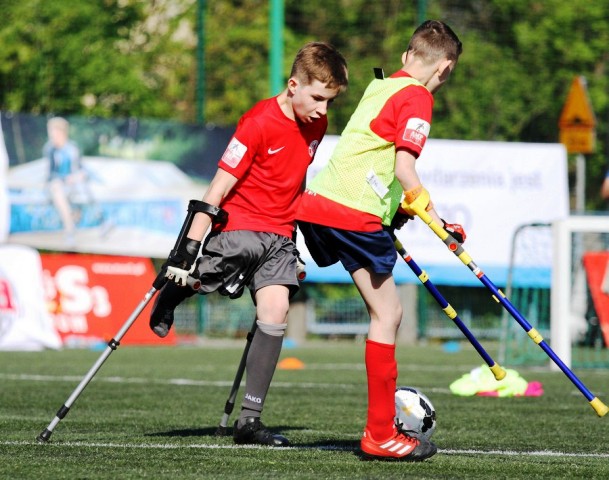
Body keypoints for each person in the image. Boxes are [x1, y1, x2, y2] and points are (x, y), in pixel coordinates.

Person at [150, 42, 348, 447]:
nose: (322, 111)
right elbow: (220, 184)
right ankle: (170, 294)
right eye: (317, 98)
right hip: (239, 227)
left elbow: (296, 178)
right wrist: (190, 243)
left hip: (280, 235)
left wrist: (302, 227)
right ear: (293, 85)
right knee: (200, 276)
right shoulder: (256, 122)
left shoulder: (316, 124)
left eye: (330, 102)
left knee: (275, 312)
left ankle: (249, 421)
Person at [296, 20, 464, 461]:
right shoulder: (419, 97)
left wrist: (415, 212)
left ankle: (380, 430)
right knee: (388, 314)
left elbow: (375, 159)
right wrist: (430, 211)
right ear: (445, 68)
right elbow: (405, 167)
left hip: (318, 206)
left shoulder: (383, 86)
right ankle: (379, 435)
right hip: (353, 214)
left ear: (408, 56)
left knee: (383, 311)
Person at [44, 116, 86, 246]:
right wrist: (62, 180)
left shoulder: (72, 148)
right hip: (57, 185)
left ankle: (72, 221)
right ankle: (70, 230)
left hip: (73, 185)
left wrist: (77, 176)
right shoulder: (50, 149)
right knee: (57, 188)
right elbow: (50, 174)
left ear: (61, 132)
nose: (51, 135)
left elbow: (82, 169)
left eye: (53, 132)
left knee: (75, 196)